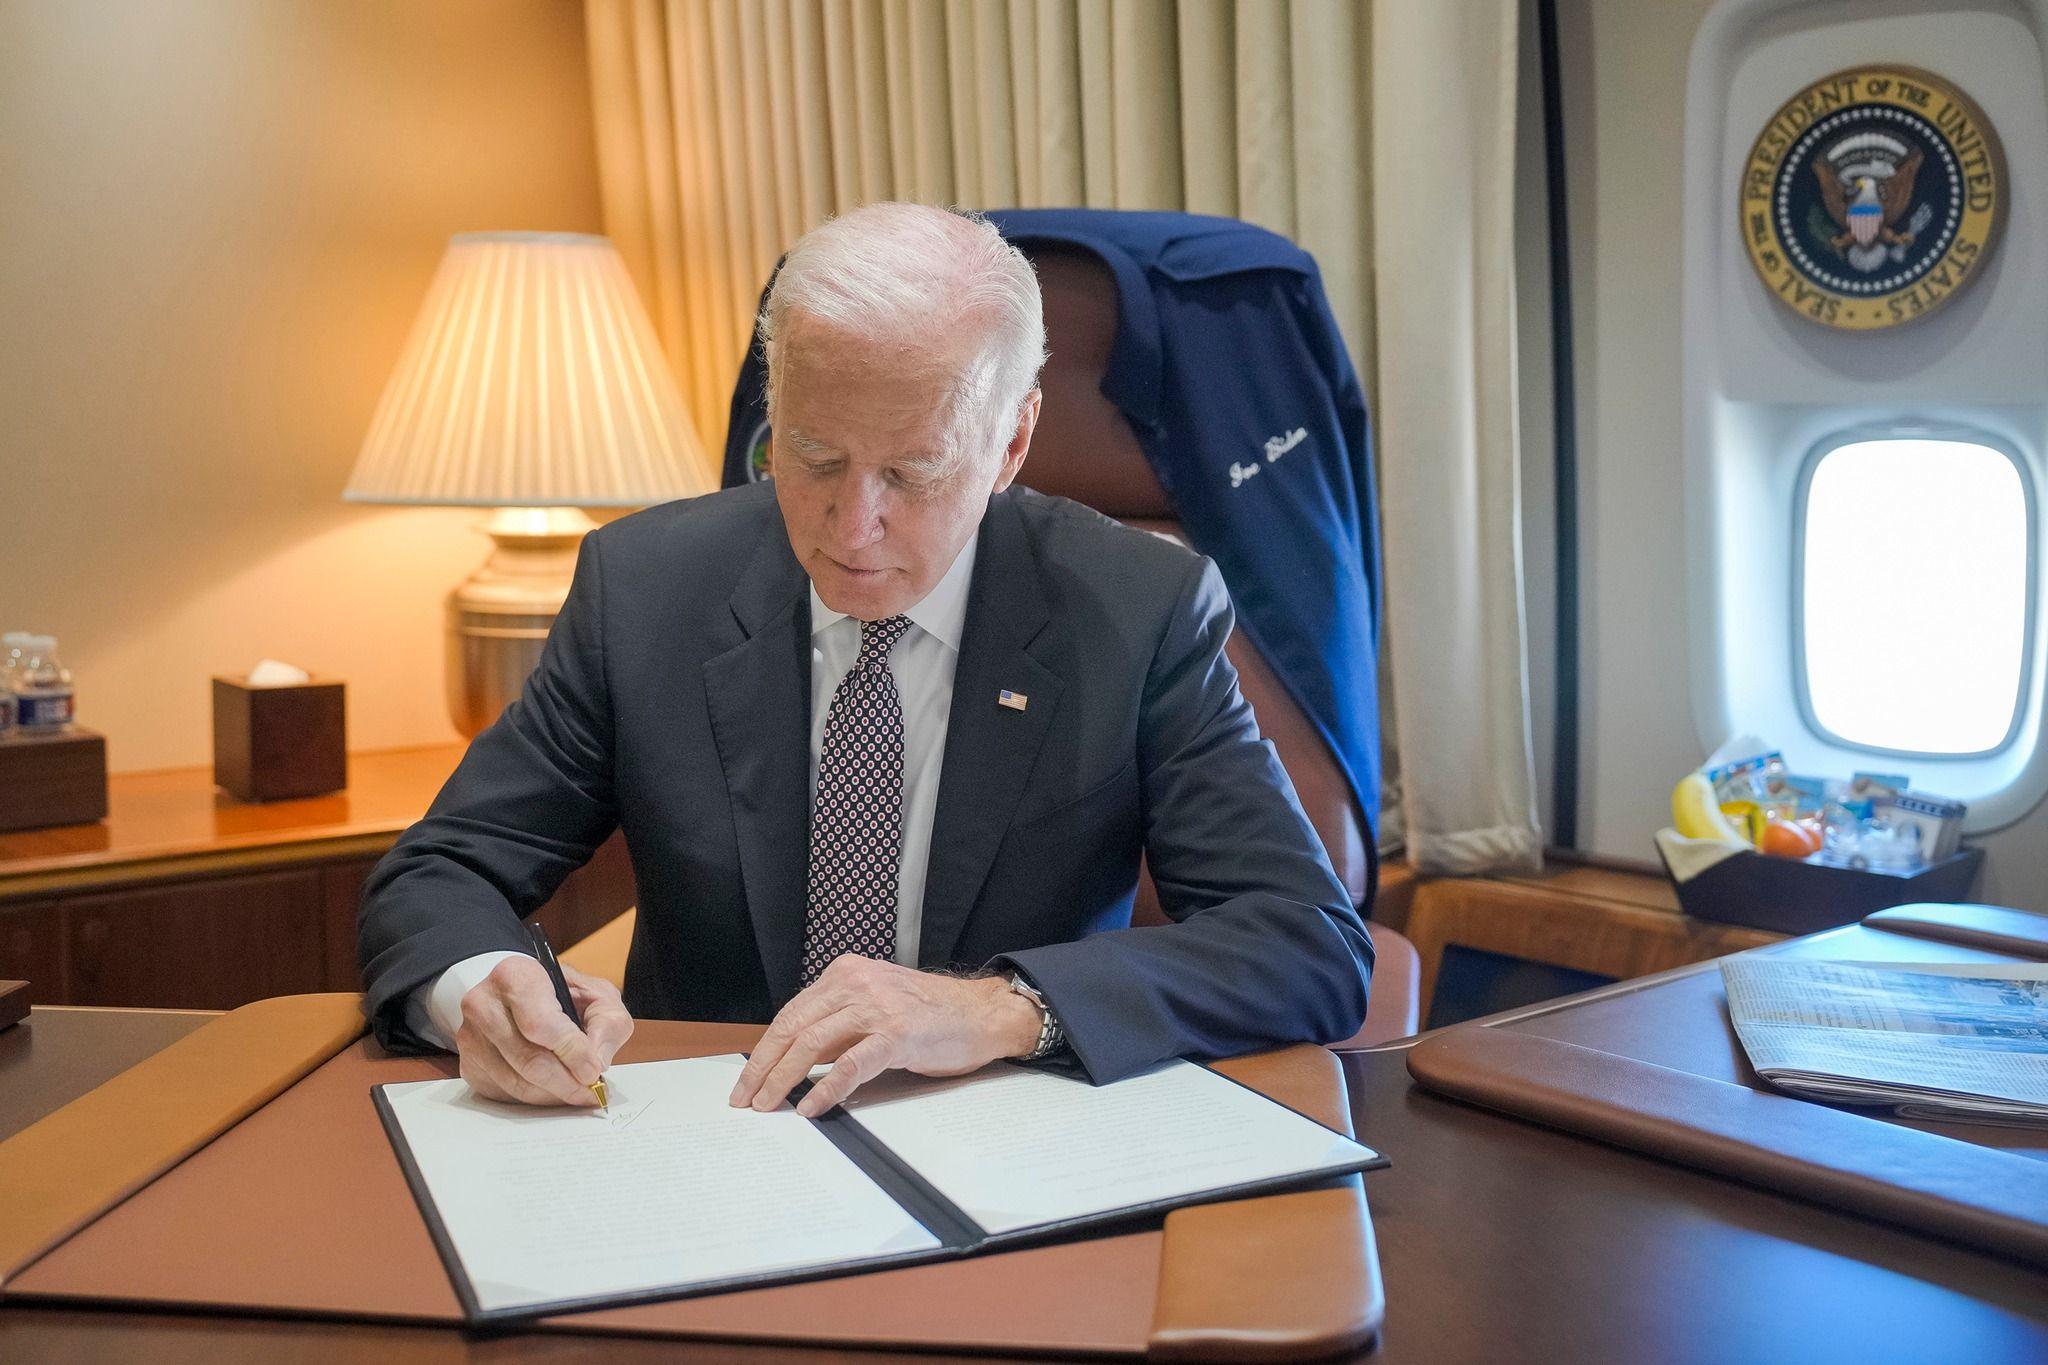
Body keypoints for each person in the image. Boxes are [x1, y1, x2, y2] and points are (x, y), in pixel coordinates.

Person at [357, 202, 1374, 1119]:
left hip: (1000, 1139)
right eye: (814, 459)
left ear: (1011, 441)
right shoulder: (644, 587)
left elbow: (1302, 945)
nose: (854, 527)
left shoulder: (1138, 608)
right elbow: (441, 869)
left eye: (911, 471)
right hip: (703, 1137)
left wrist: (1004, 1008)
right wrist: (484, 985)